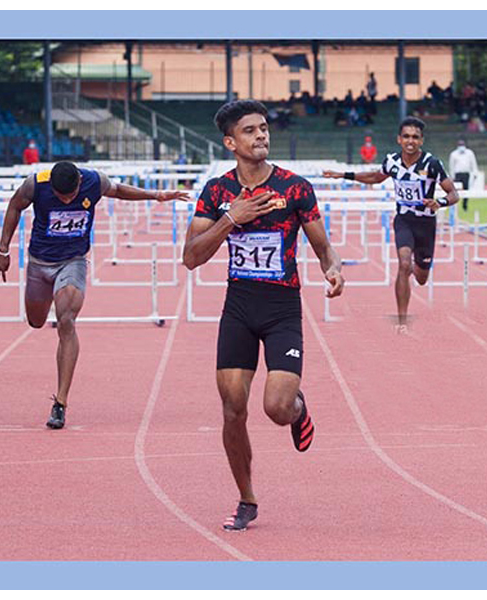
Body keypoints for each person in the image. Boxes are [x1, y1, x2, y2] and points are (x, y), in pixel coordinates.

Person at [182, 100, 344, 531]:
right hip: (239, 306)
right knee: (233, 409)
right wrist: (230, 220)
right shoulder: (217, 193)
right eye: (250, 131)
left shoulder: (295, 188)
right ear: (230, 142)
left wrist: (332, 266)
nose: (261, 136)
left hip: (281, 308)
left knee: (275, 407)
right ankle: (247, 499)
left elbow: (321, 244)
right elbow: (191, 258)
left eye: (264, 129)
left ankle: (298, 406)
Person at [0, 162, 188, 430]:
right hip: (39, 262)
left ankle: (60, 403)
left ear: (79, 185)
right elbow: (14, 206)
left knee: (66, 320)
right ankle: (46, 311)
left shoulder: (94, 181)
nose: (68, 200)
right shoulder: (35, 184)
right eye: (62, 198)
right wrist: (3, 250)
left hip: (73, 260)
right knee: (35, 321)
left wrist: (155, 195)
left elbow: (118, 190)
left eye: (71, 196)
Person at [323, 117, 460, 332]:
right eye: (406, 136)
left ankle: (418, 267)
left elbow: (454, 194)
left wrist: (439, 202)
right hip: (404, 220)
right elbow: (375, 177)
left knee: (422, 277)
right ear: (399, 139)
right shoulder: (392, 162)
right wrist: (344, 175)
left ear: (421, 140)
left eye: (415, 137)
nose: (410, 141)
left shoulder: (432, 164)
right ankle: (402, 320)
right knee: (403, 264)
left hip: (425, 224)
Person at [448, 139, 478, 211]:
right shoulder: (454, 154)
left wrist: (475, 172)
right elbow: (451, 166)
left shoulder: (470, 153)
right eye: (460, 145)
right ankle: (455, 205)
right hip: (457, 174)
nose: (461, 147)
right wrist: (452, 176)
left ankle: (465, 205)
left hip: (466, 174)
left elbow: (473, 163)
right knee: (455, 191)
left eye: (462, 145)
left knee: (466, 189)